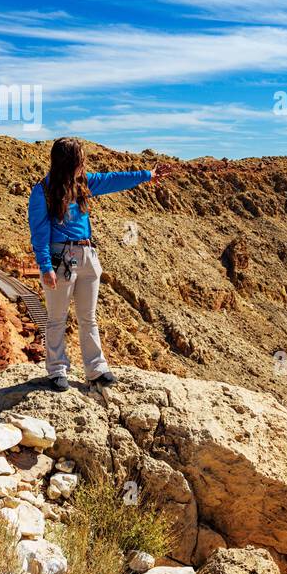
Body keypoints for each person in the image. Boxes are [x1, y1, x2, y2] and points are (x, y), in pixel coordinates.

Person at [27, 137, 173, 391]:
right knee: (56, 318)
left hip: (88, 256)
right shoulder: (43, 190)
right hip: (61, 257)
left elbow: (113, 179)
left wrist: (147, 175)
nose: (84, 162)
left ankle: (96, 369)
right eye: (80, 158)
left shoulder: (83, 183)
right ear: (69, 161)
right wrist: (45, 266)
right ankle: (57, 370)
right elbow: (38, 231)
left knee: (88, 317)